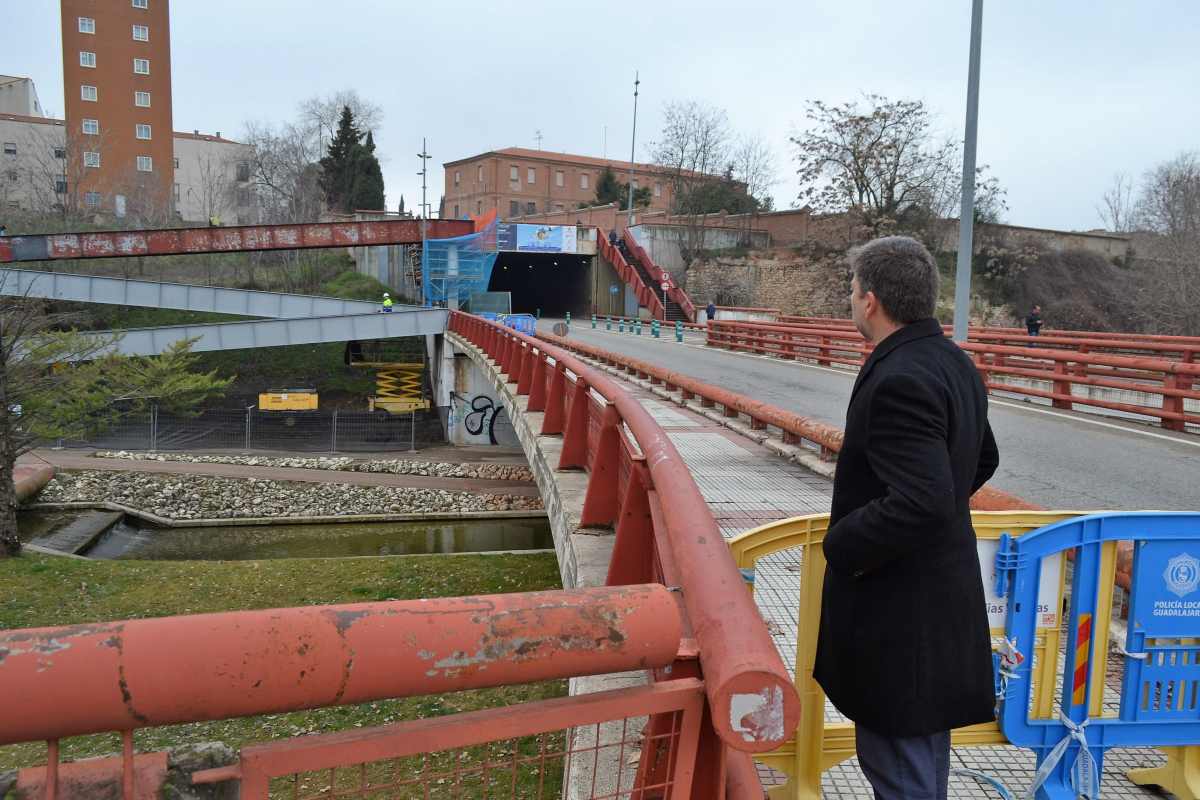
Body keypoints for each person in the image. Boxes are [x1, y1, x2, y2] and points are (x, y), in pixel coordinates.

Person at [814, 236, 999, 800]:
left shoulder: (902, 376)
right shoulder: (952, 362)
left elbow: (923, 499)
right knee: (919, 760)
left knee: (900, 770)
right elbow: (983, 458)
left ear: (870, 301)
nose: (849, 301)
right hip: (934, 608)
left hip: (902, 619)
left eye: (851, 291)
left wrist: (843, 544)